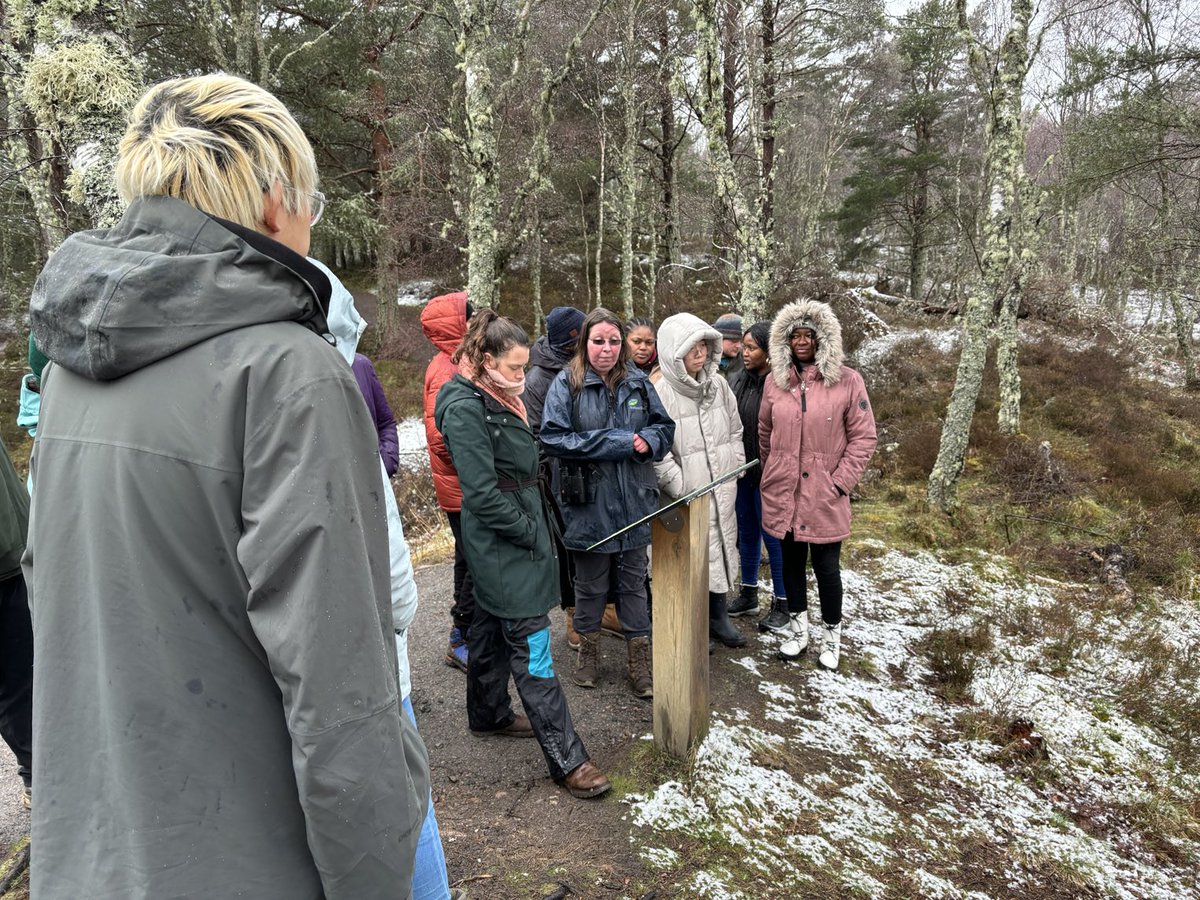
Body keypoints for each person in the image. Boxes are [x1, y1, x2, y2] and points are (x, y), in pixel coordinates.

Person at [24, 73, 429, 899]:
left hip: (98, 855)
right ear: (278, 201)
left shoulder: (70, 370)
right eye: (311, 200)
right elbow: (339, 694)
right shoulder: (289, 372)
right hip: (253, 861)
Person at [434, 310, 611, 800]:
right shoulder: (466, 406)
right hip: (503, 539)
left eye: (523, 367)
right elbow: (481, 492)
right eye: (514, 368)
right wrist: (531, 533)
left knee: (489, 625)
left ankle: (487, 714)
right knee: (533, 645)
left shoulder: (497, 395)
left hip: (516, 529)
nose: (522, 376)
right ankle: (568, 758)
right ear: (485, 361)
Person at [323, 266, 454, 900]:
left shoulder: (361, 374)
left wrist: (388, 460)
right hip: (369, 667)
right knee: (401, 810)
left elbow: (386, 424)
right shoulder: (318, 401)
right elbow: (401, 590)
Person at [540, 309, 675, 697]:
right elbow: (553, 438)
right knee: (590, 583)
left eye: (614, 341)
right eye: (598, 341)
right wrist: (617, 442)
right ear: (585, 342)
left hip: (635, 498)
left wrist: (651, 439)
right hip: (587, 502)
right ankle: (589, 654)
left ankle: (639, 662)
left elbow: (664, 427)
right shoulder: (568, 383)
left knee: (634, 583)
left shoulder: (638, 382)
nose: (607, 349)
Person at [759, 299, 877, 669]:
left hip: (825, 493)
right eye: (796, 335)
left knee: (827, 569)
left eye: (810, 335)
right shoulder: (775, 383)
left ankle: (831, 638)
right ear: (785, 341)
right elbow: (765, 430)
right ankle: (798, 633)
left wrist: (840, 482)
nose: (803, 342)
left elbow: (864, 438)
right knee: (791, 564)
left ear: (823, 339)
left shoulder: (847, 380)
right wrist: (773, 471)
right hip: (785, 492)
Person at [652, 313, 747, 649]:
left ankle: (717, 616)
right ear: (675, 350)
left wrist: (734, 466)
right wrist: (681, 485)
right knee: (690, 558)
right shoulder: (660, 392)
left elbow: (735, 430)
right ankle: (692, 623)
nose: (701, 352)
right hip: (687, 494)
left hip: (721, 487)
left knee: (721, 546)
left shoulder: (718, 385)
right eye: (693, 346)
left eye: (705, 345)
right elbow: (656, 451)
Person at [421, 291, 475, 672]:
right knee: (474, 562)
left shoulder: (459, 362)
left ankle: (467, 631)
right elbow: (442, 437)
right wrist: (478, 466)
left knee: (469, 559)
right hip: (462, 487)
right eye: (468, 318)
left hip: (464, 484)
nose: (474, 323)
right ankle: (461, 638)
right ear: (455, 326)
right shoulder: (445, 370)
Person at [726, 322, 788, 627]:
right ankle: (748, 593)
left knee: (774, 538)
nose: (744, 352)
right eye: (744, 346)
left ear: (769, 350)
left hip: (771, 475)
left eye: (752, 347)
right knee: (746, 534)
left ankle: (784, 603)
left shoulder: (781, 384)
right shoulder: (738, 380)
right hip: (743, 472)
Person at [0, 433, 31, 812]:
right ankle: (37, 773)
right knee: (15, 683)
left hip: (17, 557)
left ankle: (41, 771)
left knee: (26, 676)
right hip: (17, 555)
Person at [713, 313, 744, 377]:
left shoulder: (746, 364)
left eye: (741, 341)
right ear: (719, 339)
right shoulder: (702, 362)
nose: (739, 346)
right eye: (734, 341)